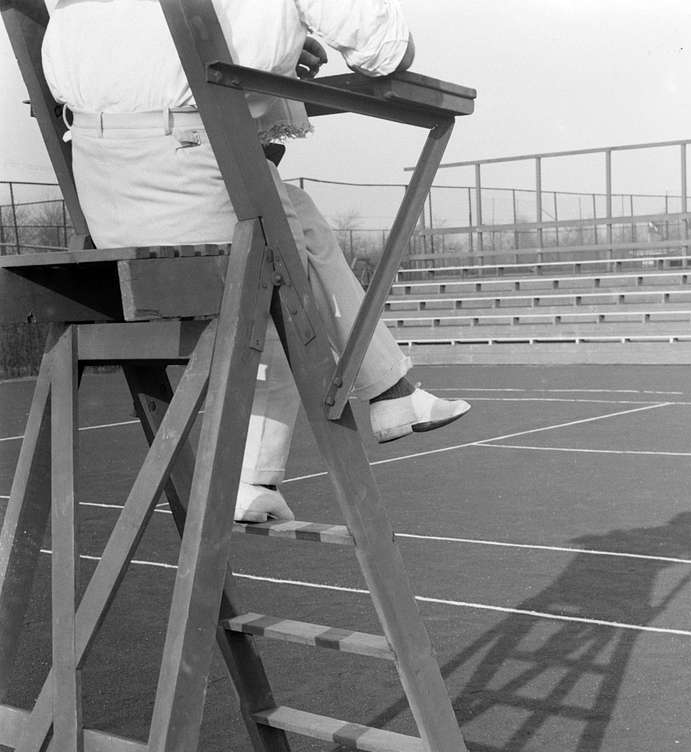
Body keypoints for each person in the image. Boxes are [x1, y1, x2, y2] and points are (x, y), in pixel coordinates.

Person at [41, 0, 471, 522]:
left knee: (299, 221)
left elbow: (148, 50)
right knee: (285, 298)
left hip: (106, 200)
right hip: (192, 191)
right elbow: (387, 50)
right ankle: (268, 466)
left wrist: (278, 45)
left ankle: (389, 389)